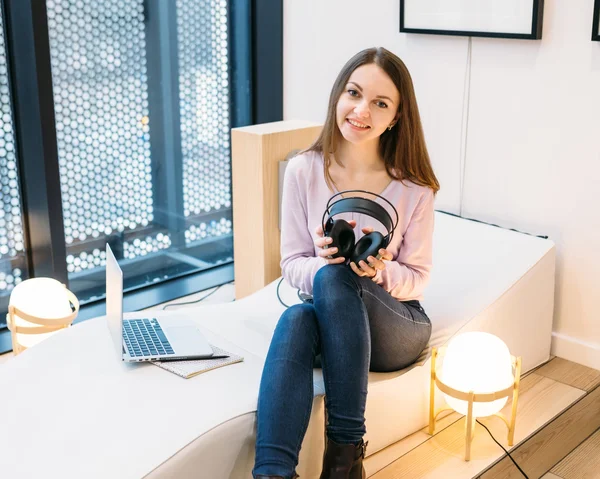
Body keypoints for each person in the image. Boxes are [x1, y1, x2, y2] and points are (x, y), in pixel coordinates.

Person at [252, 47, 440, 479]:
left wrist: (379, 271)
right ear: (338, 95)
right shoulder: (303, 170)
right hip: (330, 317)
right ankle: (278, 473)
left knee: (335, 279)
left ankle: (344, 452)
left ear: (395, 117)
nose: (361, 110)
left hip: (397, 327)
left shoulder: (414, 188)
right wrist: (323, 264)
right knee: (299, 316)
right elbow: (292, 264)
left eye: (380, 103)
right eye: (353, 93)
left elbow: (418, 280)